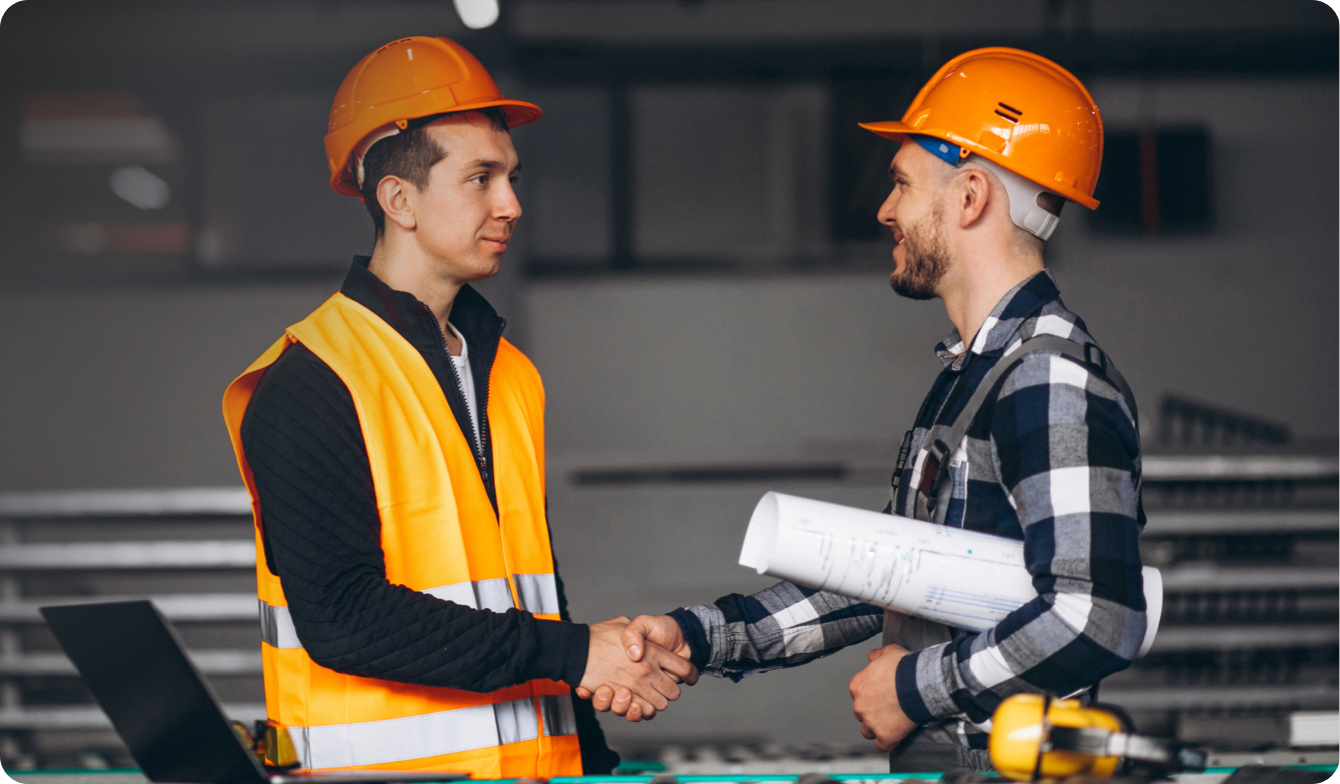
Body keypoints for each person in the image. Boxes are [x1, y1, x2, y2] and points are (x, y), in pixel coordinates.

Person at [589, 47, 1148, 774]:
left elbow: (1095, 618)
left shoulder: (1049, 379)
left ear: (971, 195)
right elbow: (894, 578)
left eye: (903, 184)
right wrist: (697, 637)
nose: (885, 210)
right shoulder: (972, 377)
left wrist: (914, 689)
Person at [221, 36, 695, 778]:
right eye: (480, 178)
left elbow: (532, 590)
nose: (511, 204)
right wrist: (576, 652)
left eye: (510, 176)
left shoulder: (509, 374)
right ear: (398, 200)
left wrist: (591, 751)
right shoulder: (311, 380)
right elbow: (344, 619)